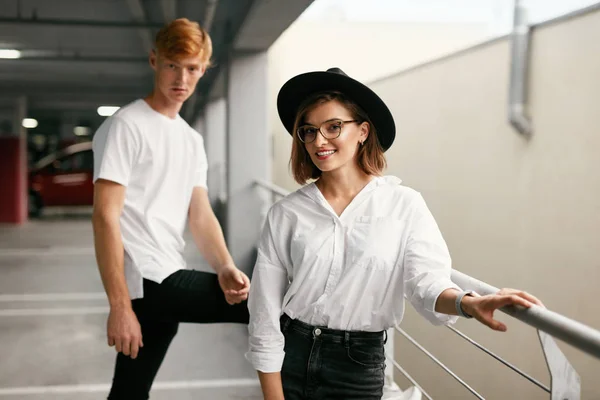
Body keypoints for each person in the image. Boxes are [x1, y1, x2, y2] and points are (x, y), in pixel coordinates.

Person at [246, 67, 544, 400]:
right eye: (309, 131)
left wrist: (468, 303)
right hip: (292, 356)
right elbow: (264, 311)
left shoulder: (404, 205)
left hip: (358, 365)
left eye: (333, 127)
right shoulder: (286, 213)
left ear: (362, 131)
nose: (319, 141)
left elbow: (425, 282)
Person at [91, 18, 250, 400]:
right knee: (266, 307)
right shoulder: (126, 126)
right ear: (154, 61)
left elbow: (199, 213)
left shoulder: (191, 139)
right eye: (172, 65)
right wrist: (120, 306)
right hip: (147, 279)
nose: (182, 78)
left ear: (203, 70)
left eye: (192, 68)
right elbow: (105, 216)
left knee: (130, 391)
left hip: (167, 268)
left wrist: (225, 265)